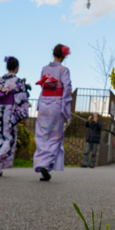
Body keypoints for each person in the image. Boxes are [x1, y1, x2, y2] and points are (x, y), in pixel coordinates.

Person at [0, 56, 31, 177]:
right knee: (9, 138)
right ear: (17, 68)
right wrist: (22, 114)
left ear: (7, 67)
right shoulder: (18, 82)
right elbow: (21, 99)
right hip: (9, 112)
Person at [33, 43, 73, 181]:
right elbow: (67, 88)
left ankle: (42, 162)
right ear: (64, 56)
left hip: (44, 102)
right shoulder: (64, 70)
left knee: (42, 133)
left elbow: (42, 86)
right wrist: (66, 108)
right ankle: (46, 163)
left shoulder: (45, 69)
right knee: (55, 136)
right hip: (56, 103)